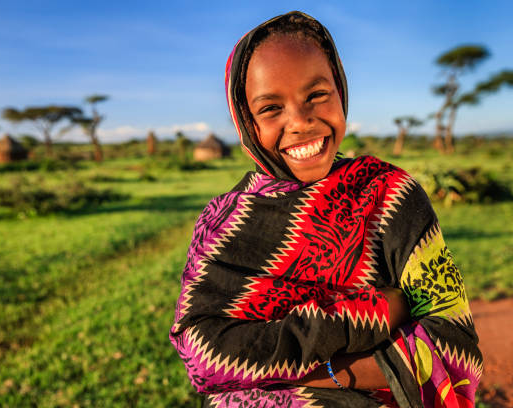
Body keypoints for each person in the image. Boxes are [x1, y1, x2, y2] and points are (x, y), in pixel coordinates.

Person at [170, 11, 482, 408]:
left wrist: (280, 372)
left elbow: (453, 346)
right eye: (270, 109)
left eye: (317, 95)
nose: (300, 122)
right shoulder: (222, 223)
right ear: (246, 120)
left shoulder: (389, 195)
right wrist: (381, 310)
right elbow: (202, 357)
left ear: (341, 91)